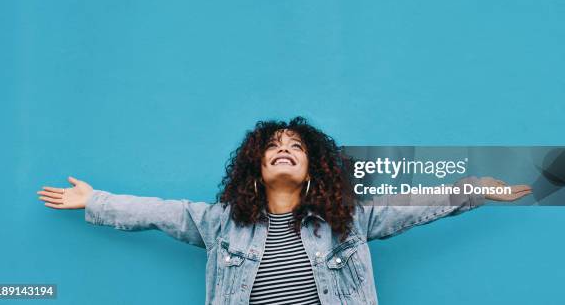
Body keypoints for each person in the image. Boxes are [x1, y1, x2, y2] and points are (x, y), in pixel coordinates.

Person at [37, 116, 531, 305]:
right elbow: (161, 211)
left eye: (296, 145)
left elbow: (413, 204)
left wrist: (476, 188)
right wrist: (95, 199)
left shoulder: (349, 221)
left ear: (312, 164)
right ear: (258, 165)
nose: (284, 149)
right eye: (273, 146)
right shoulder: (220, 223)